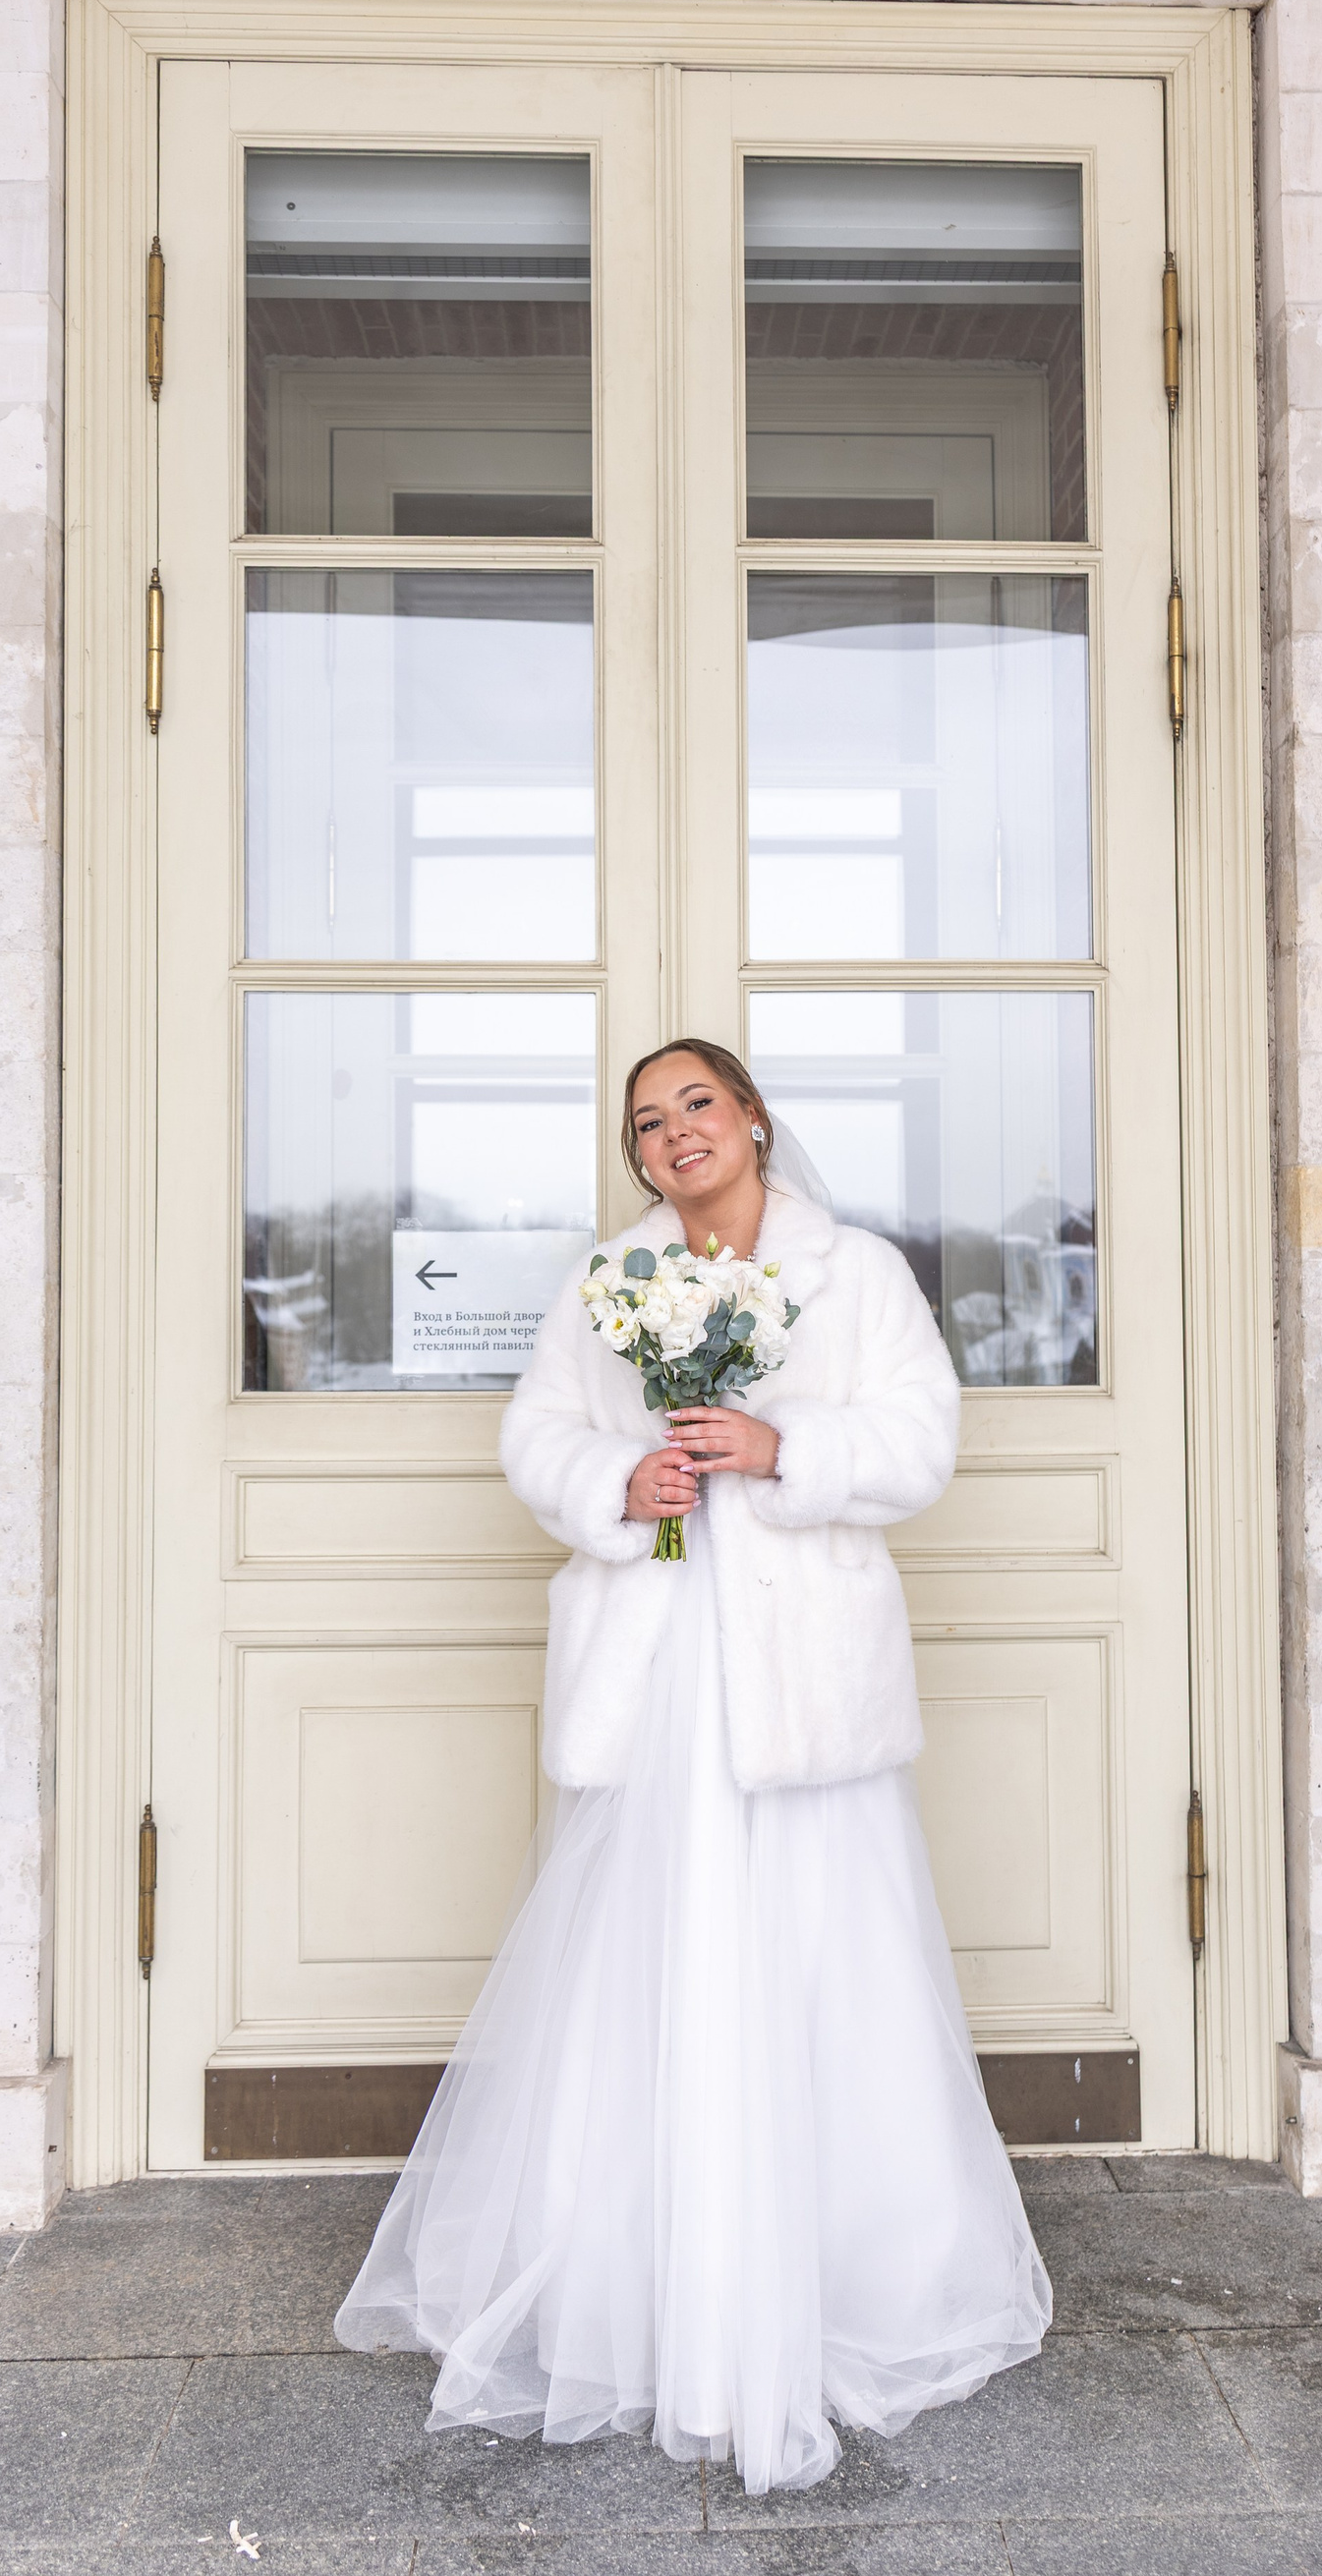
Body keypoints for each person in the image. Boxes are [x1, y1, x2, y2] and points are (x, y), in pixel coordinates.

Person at [334, 1038, 1051, 2492]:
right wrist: (623, 1478)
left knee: (826, 1956)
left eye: (698, 1105)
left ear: (756, 1120)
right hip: (658, 1668)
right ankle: (639, 2288)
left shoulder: (857, 1274)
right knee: (650, 1957)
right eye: (648, 1121)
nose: (675, 1134)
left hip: (805, 1681)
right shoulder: (613, 1280)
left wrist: (782, 1447)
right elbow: (535, 1434)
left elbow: (922, 1440)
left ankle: (853, 2280)